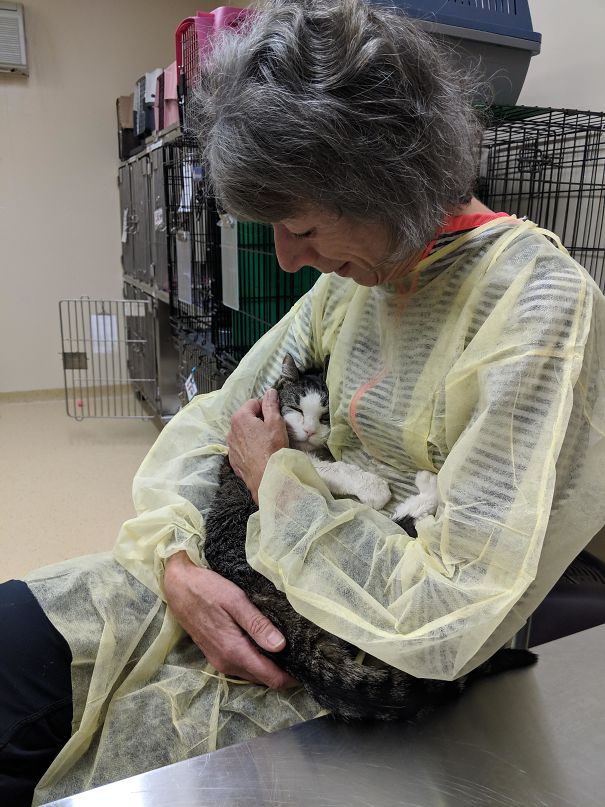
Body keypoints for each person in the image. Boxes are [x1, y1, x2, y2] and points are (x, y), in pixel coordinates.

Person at [2, 0, 605, 804]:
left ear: (388, 183)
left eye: (303, 227)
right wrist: (175, 562)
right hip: (256, 566)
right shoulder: (347, 289)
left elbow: (449, 606)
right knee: (12, 634)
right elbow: (213, 422)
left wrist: (273, 482)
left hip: (369, 646)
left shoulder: (533, 308)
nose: (288, 261)